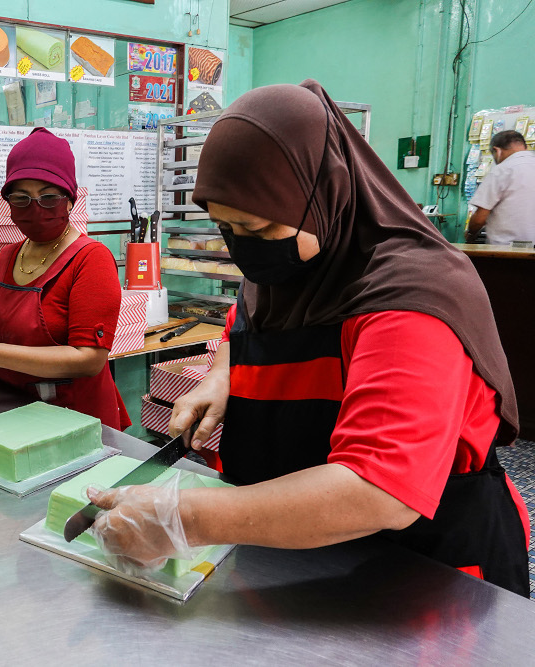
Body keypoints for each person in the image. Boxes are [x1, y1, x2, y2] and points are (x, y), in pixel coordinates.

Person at [85, 81, 531, 596]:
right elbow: (244, 325)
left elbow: (378, 489)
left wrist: (182, 517)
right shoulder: (289, 264)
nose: (241, 249)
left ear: (324, 196)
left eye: (254, 229)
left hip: (417, 573)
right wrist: (222, 375)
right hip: (292, 557)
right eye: (225, 229)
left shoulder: (414, 294)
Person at [0, 128, 131, 431]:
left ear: (69, 200)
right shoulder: (7, 255)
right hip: (12, 410)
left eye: (48, 197)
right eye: (21, 198)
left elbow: (89, 359)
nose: (35, 208)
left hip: (73, 421)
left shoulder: (90, 259)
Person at [466, 130, 535, 244]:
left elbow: (480, 218)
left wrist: (471, 234)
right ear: (525, 146)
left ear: (497, 151)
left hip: (505, 249)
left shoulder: (501, 170)